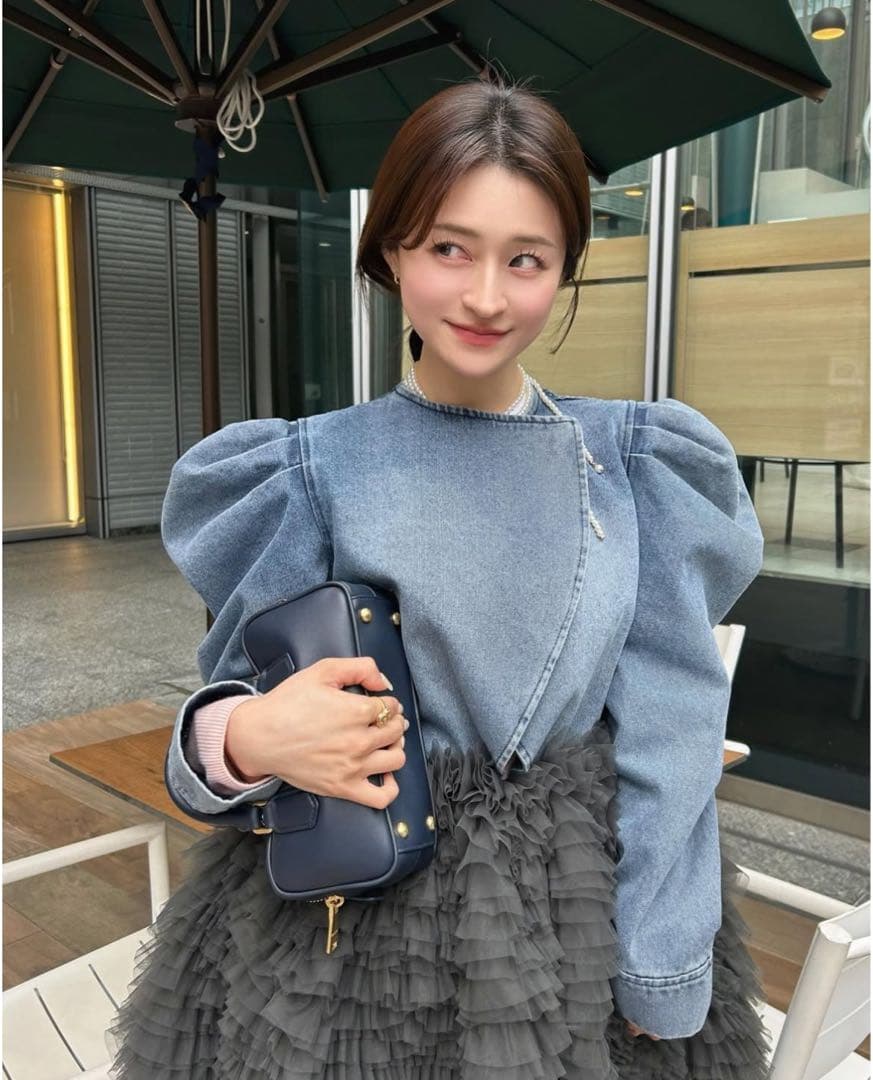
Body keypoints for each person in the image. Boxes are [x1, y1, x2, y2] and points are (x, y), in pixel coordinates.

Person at [109, 76, 771, 1078]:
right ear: (390, 250)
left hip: (584, 926)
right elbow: (230, 719)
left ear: (566, 267)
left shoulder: (636, 466)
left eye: (526, 259)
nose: (486, 296)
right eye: (448, 248)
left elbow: (672, 731)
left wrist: (660, 966)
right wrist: (245, 736)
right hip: (345, 933)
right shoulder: (303, 473)